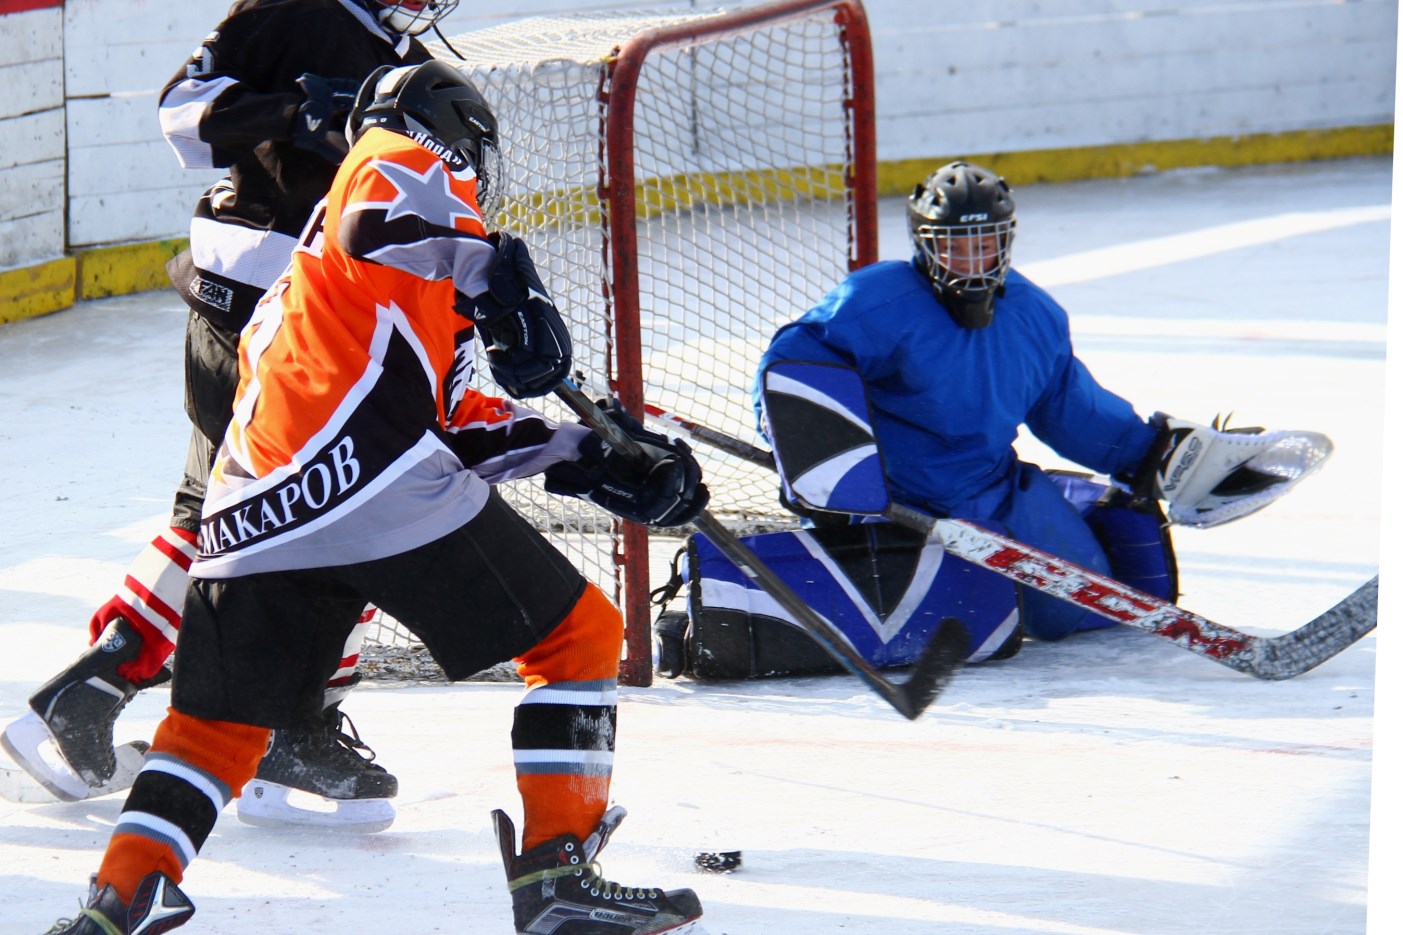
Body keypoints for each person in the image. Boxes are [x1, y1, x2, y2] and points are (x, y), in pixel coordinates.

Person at [41, 60, 709, 935]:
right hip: (367, 483)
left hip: (248, 520)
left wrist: (593, 454)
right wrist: (499, 277)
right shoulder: (392, 158)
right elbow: (382, 218)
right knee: (580, 635)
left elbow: (468, 425)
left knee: (213, 732)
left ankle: (113, 904)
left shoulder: (363, 289)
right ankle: (557, 876)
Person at [0, 0, 453, 829]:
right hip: (268, 310)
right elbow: (182, 105)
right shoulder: (296, 8)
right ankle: (289, 736)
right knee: (340, 511)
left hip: (280, 306)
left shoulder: (387, 35)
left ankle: (90, 696)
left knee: (219, 512)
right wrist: (294, 112)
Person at [751, 160, 1330, 644]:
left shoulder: (1034, 315)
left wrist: (1152, 452)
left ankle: (1075, 502)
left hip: (990, 491)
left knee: (1078, 615)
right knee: (930, 622)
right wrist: (818, 463)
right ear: (924, 245)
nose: (972, 262)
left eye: (985, 244)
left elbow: (1069, 409)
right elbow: (792, 367)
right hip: (887, 501)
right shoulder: (877, 300)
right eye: (955, 248)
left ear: (1007, 240)